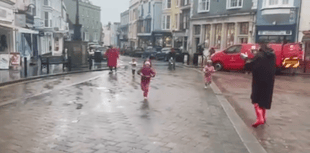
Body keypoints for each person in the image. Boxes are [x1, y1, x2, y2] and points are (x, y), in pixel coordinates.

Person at [243, 41, 276, 128]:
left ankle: (259, 118)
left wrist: (246, 59)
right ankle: (264, 117)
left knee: (255, 99)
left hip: (258, 80)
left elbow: (252, 66)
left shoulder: (259, 55)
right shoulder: (272, 56)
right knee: (264, 99)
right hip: (269, 81)